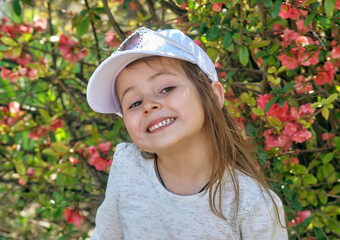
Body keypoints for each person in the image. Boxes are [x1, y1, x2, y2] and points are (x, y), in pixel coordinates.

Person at [86, 27, 288, 239]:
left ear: (213, 96)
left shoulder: (252, 203)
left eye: (166, 89)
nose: (148, 105)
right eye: (134, 103)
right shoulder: (128, 166)